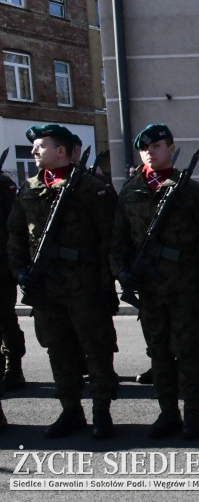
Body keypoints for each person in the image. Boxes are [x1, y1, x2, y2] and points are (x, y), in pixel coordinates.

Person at [8, 124, 119, 439]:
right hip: (46, 290)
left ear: (61, 150)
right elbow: (15, 237)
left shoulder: (91, 187)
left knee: (96, 350)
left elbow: (109, 240)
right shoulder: (28, 189)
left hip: (85, 288)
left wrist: (103, 285)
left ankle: (101, 412)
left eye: (40, 146)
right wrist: (21, 273)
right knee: (58, 350)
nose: (33, 151)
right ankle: (71, 410)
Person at [110, 124, 199, 439]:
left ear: (170, 148)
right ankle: (167, 412)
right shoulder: (130, 190)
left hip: (185, 285)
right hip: (148, 288)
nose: (149, 152)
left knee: (186, 351)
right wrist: (122, 273)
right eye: (144, 148)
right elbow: (117, 241)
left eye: (156, 146)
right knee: (158, 352)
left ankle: (192, 415)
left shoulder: (190, 190)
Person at [0, 165, 23, 391]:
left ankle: (13, 367)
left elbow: (14, 226)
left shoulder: (3, 184)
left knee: (5, 319)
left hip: (2, 267)